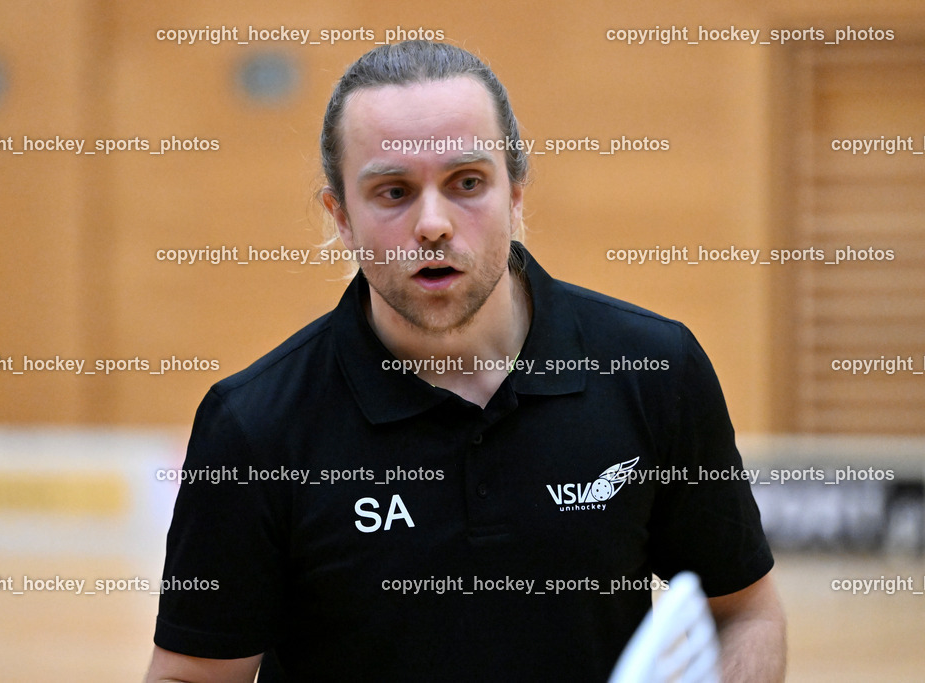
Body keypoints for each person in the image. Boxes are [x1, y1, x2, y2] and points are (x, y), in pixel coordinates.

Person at [146, 40, 786, 682]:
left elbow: (743, 612)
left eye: (468, 183)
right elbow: (190, 676)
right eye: (393, 191)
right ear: (340, 217)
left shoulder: (654, 371)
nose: (433, 224)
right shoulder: (254, 426)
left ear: (516, 193)